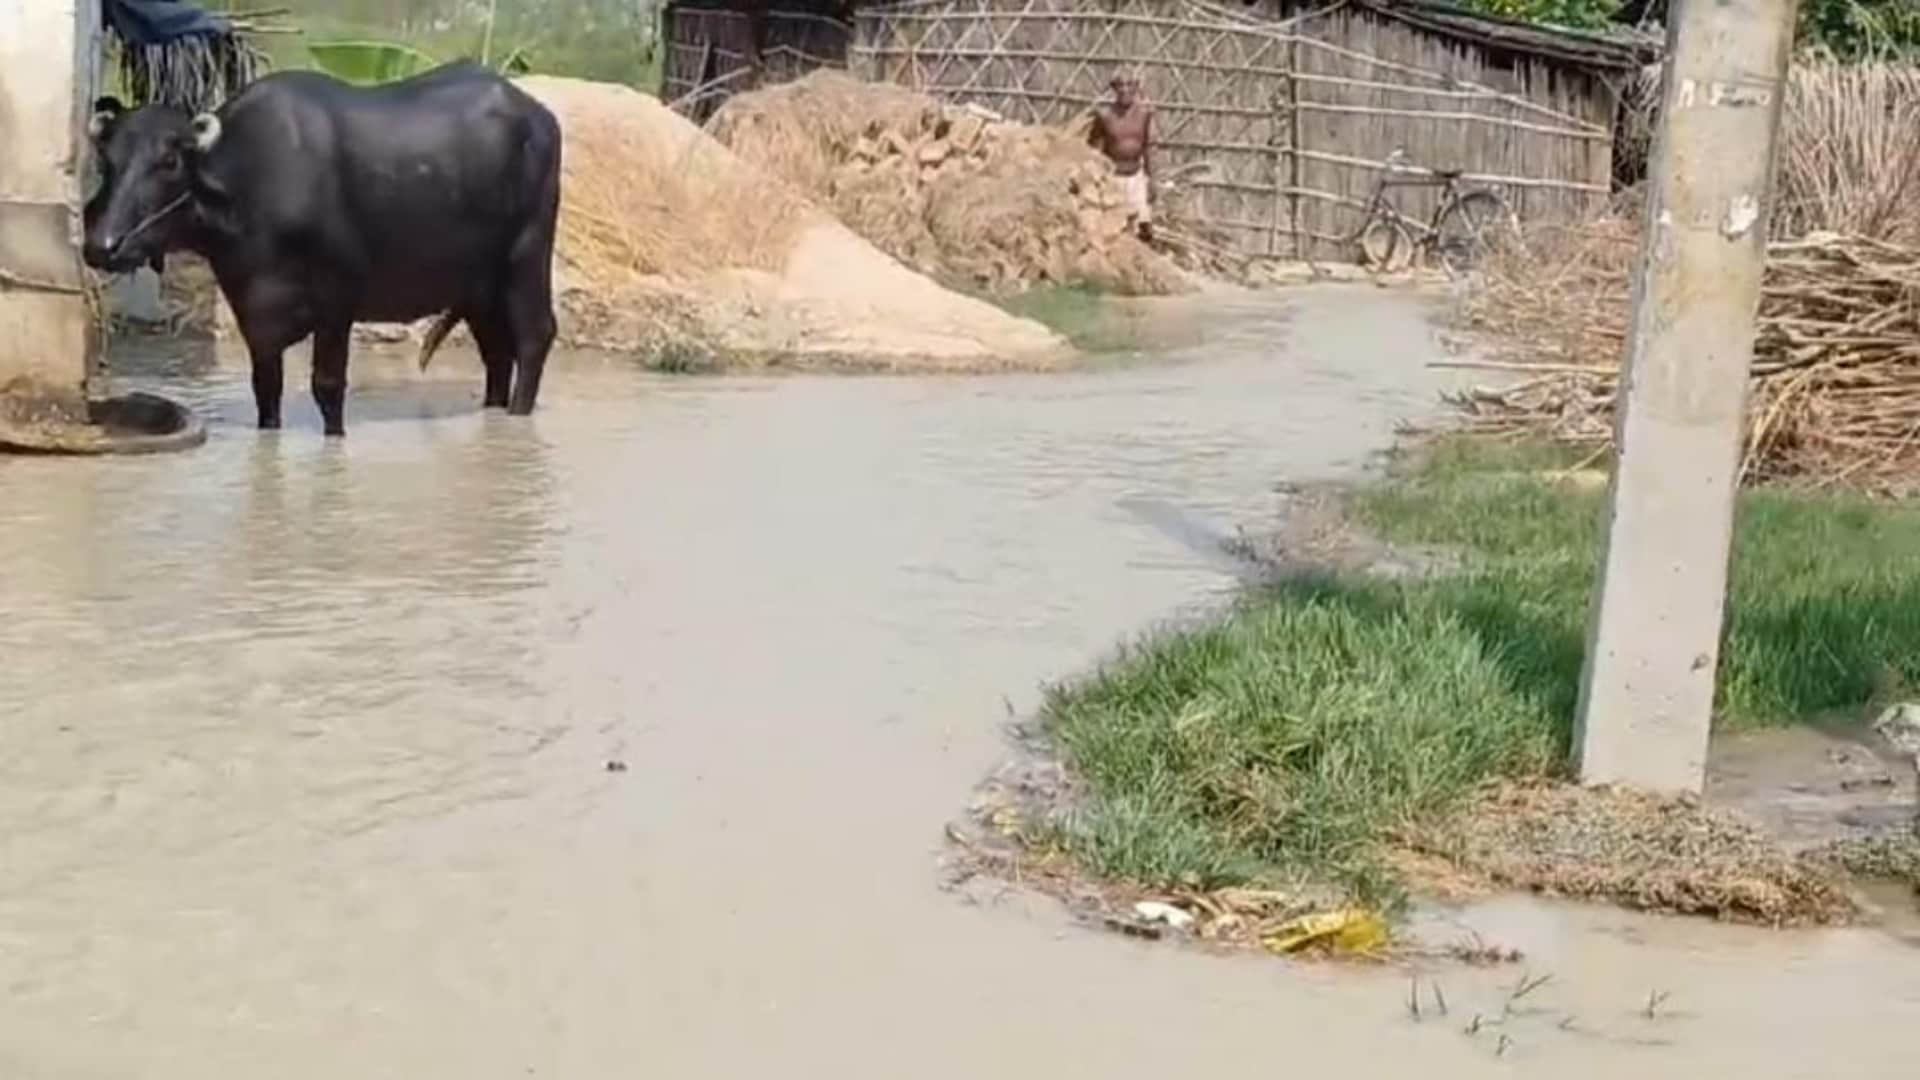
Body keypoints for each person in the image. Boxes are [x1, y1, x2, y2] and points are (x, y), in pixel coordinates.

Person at [1087, 74, 1154, 242]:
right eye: (1120, 85)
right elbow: (1096, 150)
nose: (1125, 89)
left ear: (1136, 88)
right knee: (1115, 228)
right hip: (1113, 177)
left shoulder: (1144, 115)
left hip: (1136, 177)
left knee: (1143, 228)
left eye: (1129, 85)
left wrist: (1151, 178)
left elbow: (1149, 146)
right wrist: (1098, 178)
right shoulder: (1105, 116)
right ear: (1114, 89)